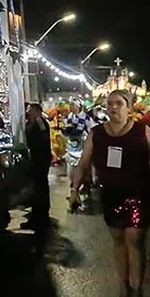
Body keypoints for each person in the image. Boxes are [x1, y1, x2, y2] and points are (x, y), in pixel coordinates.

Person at [70, 89, 150, 297]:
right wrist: (74, 190)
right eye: (110, 104)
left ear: (129, 107)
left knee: (134, 238)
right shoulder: (97, 133)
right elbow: (83, 163)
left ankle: (138, 287)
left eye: (118, 104)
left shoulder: (143, 131)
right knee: (118, 240)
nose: (113, 108)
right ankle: (124, 287)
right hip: (111, 195)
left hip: (138, 194)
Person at [23, 102, 52, 230]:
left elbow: (41, 142)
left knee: (40, 190)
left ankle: (41, 217)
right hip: (36, 161)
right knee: (37, 190)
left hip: (40, 161)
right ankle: (37, 216)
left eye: (30, 110)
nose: (28, 112)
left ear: (37, 111)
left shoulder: (40, 122)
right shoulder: (32, 123)